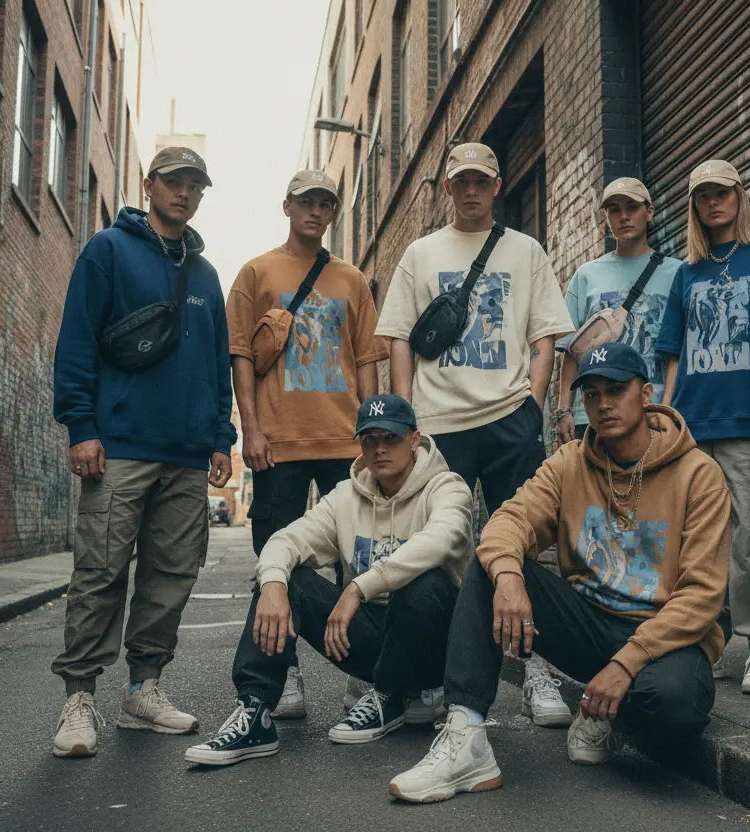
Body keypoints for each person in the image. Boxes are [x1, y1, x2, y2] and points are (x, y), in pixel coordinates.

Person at [389, 343, 730, 803]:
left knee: (678, 707)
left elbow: (702, 596)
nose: (604, 404)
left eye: (616, 389)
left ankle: (607, 715)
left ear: (646, 393)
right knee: (491, 566)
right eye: (591, 394)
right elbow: (506, 522)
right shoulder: (570, 462)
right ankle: (465, 735)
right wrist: (510, 578)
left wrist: (624, 665)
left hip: (660, 638)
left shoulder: (699, 474)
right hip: (587, 624)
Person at [375, 142, 575, 726]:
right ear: (447, 188)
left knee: (529, 543)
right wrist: (409, 415)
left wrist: (532, 405)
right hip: (439, 425)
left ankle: (536, 667)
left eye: (480, 182)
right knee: (440, 547)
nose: (470, 192)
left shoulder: (525, 250)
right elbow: (399, 338)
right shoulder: (420, 252)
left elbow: (545, 337)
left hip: (510, 417)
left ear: (496, 186)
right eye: (460, 182)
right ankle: (437, 673)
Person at [50, 147, 235, 758]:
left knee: (171, 576)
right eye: (174, 182)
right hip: (120, 445)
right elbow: (76, 338)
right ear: (150, 185)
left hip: (186, 455)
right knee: (101, 569)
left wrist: (220, 438)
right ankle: (80, 698)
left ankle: (143, 690)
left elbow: (215, 364)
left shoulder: (206, 276)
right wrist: (81, 426)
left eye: (194, 185)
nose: (184, 193)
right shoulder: (108, 250)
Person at [184, 395, 473, 765]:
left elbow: (443, 539)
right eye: (370, 440)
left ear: (415, 439)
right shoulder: (345, 496)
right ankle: (255, 711)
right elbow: (287, 539)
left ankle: (390, 694)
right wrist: (273, 583)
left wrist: (358, 587)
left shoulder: (447, 487)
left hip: (436, 647)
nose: (380, 449)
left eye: (392, 438)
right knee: (286, 579)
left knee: (424, 582)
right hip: (374, 641)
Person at [221, 169, 386, 721]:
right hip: (280, 443)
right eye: (306, 202)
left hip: (344, 440)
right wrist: (252, 429)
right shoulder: (256, 272)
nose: (315, 211)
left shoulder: (352, 280)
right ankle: (283, 667)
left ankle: (360, 671)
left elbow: (366, 361)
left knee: (355, 559)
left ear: (332, 213)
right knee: (278, 559)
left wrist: (371, 433)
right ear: (287, 206)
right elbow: (241, 355)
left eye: (325, 204)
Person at [657, 160, 750, 694]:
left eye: (722, 192)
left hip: (747, 420)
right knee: (694, 544)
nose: (713, 203)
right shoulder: (686, 273)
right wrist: (666, 422)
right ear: (693, 206)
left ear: (739, 195)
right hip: (693, 424)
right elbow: (672, 356)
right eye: (703, 196)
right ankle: (700, 639)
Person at [556, 177, 682, 444]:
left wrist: (670, 408)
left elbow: (678, 352)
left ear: (649, 212)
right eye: (614, 210)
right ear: (606, 217)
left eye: (632, 207)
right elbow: (572, 350)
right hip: (593, 414)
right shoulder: (586, 275)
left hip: (654, 409)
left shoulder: (676, 272)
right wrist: (565, 409)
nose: (623, 217)